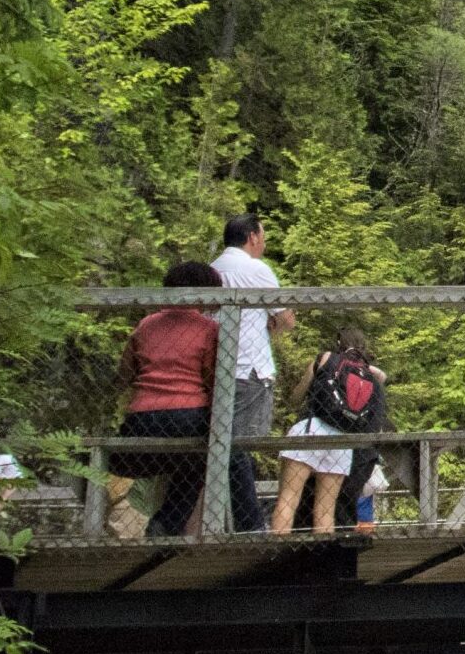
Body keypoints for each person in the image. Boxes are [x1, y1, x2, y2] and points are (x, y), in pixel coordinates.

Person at [114, 262, 224, 537]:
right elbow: (213, 378)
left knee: (129, 462)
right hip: (189, 414)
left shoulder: (146, 324)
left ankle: (129, 516)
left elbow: (126, 371)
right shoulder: (208, 329)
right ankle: (166, 523)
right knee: (197, 464)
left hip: (142, 415)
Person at [212, 214, 292, 530]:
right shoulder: (257, 270)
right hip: (250, 370)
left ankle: (222, 522)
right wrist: (267, 322)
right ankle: (249, 524)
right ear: (252, 237)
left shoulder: (212, 269)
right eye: (263, 235)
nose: (264, 242)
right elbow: (286, 319)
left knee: (222, 446)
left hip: (216, 368)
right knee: (237, 448)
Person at [272, 325, 384, 535]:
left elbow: (296, 397)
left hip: (311, 430)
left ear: (339, 342)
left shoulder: (326, 358)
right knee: (325, 511)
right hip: (341, 442)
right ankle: (324, 556)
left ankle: (276, 553)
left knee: (288, 500)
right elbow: (382, 377)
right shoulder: (368, 373)